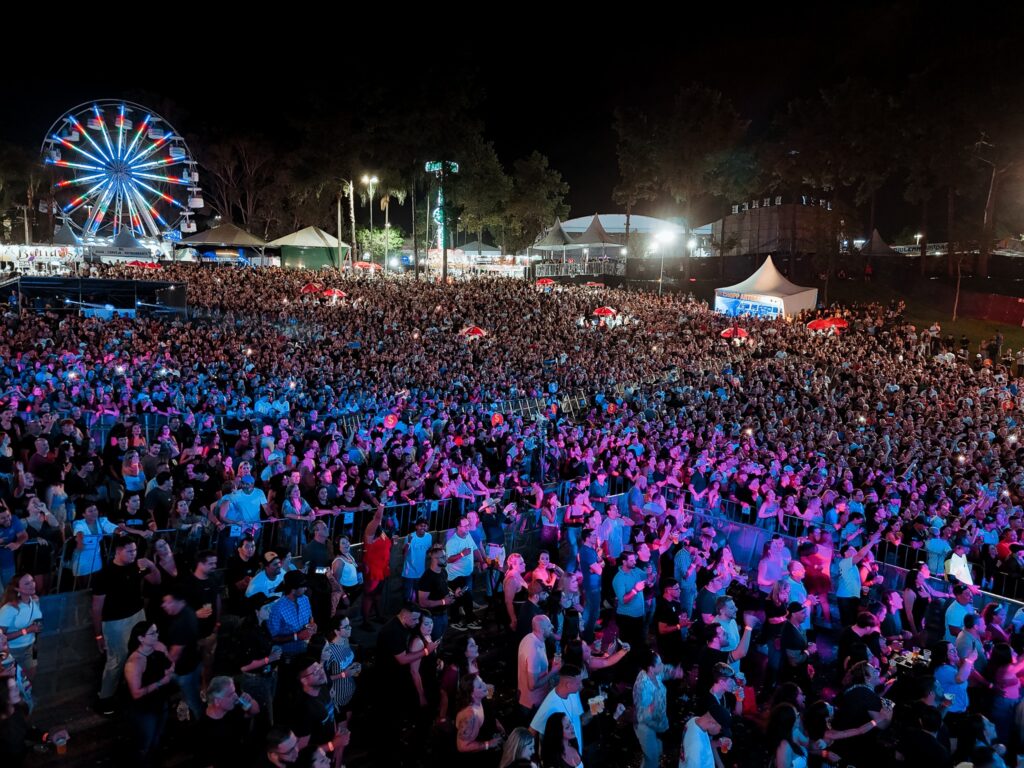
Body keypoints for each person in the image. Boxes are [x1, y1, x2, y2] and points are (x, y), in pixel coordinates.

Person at [92, 535, 160, 713]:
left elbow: (156, 580)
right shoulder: (105, 574)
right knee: (117, 659)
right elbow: (96, 607)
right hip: (115, 622)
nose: (133, 554)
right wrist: (98, 634)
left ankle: (130, 690)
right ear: (118, 551)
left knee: (140, 652)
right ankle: (105, 698)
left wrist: (151, 565)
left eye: (135, 550)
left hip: (137, 614)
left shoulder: (137, 566)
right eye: (130, 551)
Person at [122, 621, 174, 767]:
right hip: (144, 709)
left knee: (158, 735)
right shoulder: (134, 663)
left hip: (161, 701)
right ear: (141, 638)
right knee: (145, 741)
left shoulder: (159, 647)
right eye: (152, 633)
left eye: (157, 632)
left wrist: (169, 669)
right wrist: (160, 682)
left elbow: (170, 664)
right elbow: (136, 693)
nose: (156, 635)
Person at [632, 646, 686, 768]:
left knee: (654, 751)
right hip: (645, 727)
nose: (663, 665)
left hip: (656, 722)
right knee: (652, 760)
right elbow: (640, 715)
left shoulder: (654, 672)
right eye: (660, 664)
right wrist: (652, 706)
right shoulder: (642, 685)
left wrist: (674, 672)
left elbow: (665, 671)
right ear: (651, 668)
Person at [195, 675, 261, 768]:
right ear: (217, 701)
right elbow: (206, 763)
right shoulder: (203, 729)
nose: (236, 696)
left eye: (234, 692)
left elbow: (255, 711)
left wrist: (250, 701)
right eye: (230, 695)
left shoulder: (234, 706)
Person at [161, 585, 204, 718]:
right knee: (194, 692)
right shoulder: (189, 611)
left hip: (184, 670)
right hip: (194, 663)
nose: (164, 605)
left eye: (168, 602)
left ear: (179, 601)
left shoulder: (180, 624)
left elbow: (175, 653)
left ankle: (200, 721)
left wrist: (165, 669)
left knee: (192, 700)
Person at [518, 614, 561, 722]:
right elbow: (532, 685)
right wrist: (553, 672)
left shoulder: (529, 638)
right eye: (549, 625)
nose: (552, 627)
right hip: (533, 703)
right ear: (541, 630)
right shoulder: (534, 652)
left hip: (527, 698)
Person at [0, 573, 43, 679]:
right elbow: (1, 637)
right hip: (14, 650)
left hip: (32, 645)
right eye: (27, 583)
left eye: (32, 581)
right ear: (17, 589)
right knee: (15, 681)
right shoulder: (9, 609)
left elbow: (35, 618)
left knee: (31, 676)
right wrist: (27, 630)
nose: (32, 584)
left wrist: (36, 627)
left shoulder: (35, 600)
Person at [455, 672, 505, 764]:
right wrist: (488, 744)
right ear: (472, 694)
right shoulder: (469, 716)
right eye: (480, 686)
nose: (485, 686)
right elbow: (462, 746)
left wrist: (497, 723)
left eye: (482, 682)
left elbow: (488, 714)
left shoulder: (481, 699)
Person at [446, 516, 480, 632]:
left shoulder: (468, 535)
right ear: (458, 527)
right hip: (456, 576)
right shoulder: (452, 542)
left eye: (468, 525)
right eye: (465, 526)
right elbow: (448, 559)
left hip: (467, 574)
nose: (468, 527)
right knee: (462, 598)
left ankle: (465, 619)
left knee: (465, 598)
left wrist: (482, 561)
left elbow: (475, 549)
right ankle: (460, 620)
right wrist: (462, 554)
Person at [403, 517, 433, 603]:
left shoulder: (429, 536)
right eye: (420, 526)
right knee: (407, 596)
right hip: (409, 572)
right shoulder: (410, 536)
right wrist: (408, 542)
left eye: (425, 526)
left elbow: (428, 550)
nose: (423, 527)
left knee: (419, 596)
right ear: (416, 526)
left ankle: (417, 610)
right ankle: (406, 610)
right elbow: (404, 554)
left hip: (421, 572)